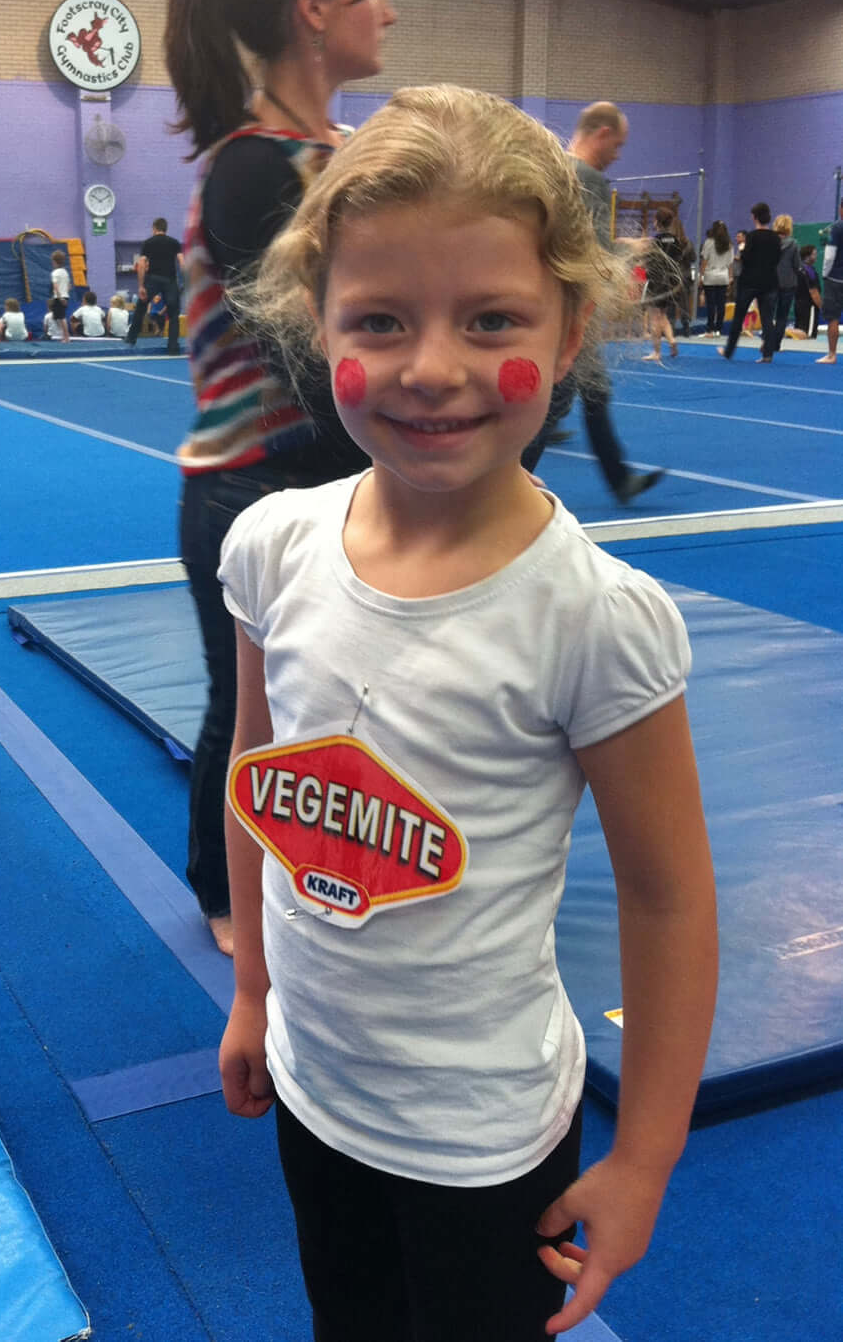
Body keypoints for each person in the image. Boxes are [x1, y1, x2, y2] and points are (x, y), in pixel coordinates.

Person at [217, 84, 718, 1342]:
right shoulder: (273, 548)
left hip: (483, 1143)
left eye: (489, 319)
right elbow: (257, 770)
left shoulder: (589, 615)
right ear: (316, 323)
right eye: (377, 321)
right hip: (317, 1095)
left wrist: (646, 1159)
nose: (430, 369)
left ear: (566, 333)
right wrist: (255, 995)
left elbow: (668, 896)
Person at [164, 0, 397, 955]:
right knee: (247, 708)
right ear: (314, 9)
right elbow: (313, 358)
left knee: (352, 699)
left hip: (338, 471)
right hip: (251, 481)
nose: (386, 13)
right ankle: (222, 890)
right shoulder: (258, 166)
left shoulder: (346, 150)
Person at [524, 101, 663, 505]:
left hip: (542, 304)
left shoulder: (552, 170)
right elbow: (593, 253)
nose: (617, 155)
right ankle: (501, 480)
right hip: (567, 310)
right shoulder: (588, 179)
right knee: (562, 397)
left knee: (590, 393)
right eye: (617, 145)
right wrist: (629, 250)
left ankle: (618, 478)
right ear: (601, 134)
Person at [722, 203, 781, 362]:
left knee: (739, 316)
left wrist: (742, 251)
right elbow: (777, 259)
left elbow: (745, 259)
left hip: (750, 282)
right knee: (767, 318)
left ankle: (729, 351)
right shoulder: (775, 237)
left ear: (754, 217)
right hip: (769, 282)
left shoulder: (752, 236)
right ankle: (768, 354)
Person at [126, 218, 184, 353]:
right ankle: (173, 346)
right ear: (166, 229)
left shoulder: (148, 243)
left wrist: (141, 286)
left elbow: (141, 264)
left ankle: (131, 337)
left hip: (153, 279)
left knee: (141, 307)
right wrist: (183, 282)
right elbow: (182, 263)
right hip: (170, 280)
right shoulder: (174, 242)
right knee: (173, 313)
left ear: (154, 228)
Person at [641, 206, 682, 361]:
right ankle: (672, 340)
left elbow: (650, 262)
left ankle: (656, 352)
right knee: (663, 315)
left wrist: (645, 270)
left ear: (657, 221)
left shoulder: (656, 241)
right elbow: (678, 260)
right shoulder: (675, 240)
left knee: (654, 318)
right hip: (670, 281)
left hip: (657, 281)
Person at [815, 200, 843, 364]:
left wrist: (825, 274)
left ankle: (832, 354)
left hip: (836, 279)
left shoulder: (837, 228)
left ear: (841, 209)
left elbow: (830, 255)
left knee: (833, 318)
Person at [698, 220, 733, 336]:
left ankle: (710, 328)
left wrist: (701, 276)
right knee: (721, 303)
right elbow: (730, 263)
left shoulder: (708, 242)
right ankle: (719, 329)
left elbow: (704, 261)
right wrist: (730, 277)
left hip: (710, 276)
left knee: (711, 304)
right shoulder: (729, 244)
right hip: (723, 276)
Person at [773, 214, 800, 353]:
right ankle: (776, 344)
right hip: (788, 283)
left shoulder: (771, 242)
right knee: (782, 316)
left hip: (771, 282)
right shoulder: (793, 244)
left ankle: (767, 342)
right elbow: (797, 265)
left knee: (768, 314)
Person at [792, 243, 821, 338]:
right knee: (808, 335)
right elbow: (813, 292)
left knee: (800, 331)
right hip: (809, 307)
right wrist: (822, 307)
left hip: (798, 305)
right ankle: (780, 330)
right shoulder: (809, 271)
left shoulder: (798, 269)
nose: (816, 256)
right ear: (807, 256)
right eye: (814, 254)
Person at [49, 249, 71, 336]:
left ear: (54, 262)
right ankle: (65, 336)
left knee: (61, 317)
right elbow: (69, 285)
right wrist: (66, 294)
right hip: (65, 296)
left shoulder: (55, 273)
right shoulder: (65, 272)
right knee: (59, 316)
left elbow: (55, 286)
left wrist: (60, 297)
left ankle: (66, 336)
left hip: (59, 297)